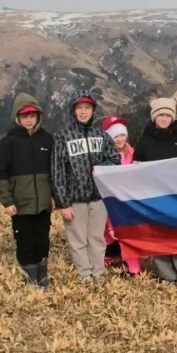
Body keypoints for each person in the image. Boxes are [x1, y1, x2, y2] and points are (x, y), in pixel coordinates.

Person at [52, 90, 120, 281]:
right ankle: (84, 275)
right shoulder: (63, 137)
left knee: (97, 238)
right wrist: (63, 202)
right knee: (78, 239)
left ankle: (98, 273)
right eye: (79, 108)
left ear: (93, 110)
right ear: (73, 110)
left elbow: (115, 158)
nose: (83, 112)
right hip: (74, 199)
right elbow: (57, 171)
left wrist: (100, 168)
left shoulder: (101, 135)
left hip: (98, 197)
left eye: (87, 108)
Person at [133, 98, 177, 285]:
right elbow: (137, 162)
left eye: (167, 115)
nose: (164, 118)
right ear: (154, 117)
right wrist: (136, 166)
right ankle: (167, 276)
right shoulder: (145, 140)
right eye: (160, 114)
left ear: (172, 117)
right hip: (155, 196)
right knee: (160, 235)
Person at [0, 93, 54, 287]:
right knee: (25, 242)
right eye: (24, 116)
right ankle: (30, 279)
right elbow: (2, 173)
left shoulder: (47, 139)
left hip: (43, 204)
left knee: (42, 241)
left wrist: (54, 196)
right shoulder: (8, 142)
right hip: (21, 205)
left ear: (38, 116)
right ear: (17, 117)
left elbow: (54, 171)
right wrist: (7, 201)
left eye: (32, 115)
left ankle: (42, 277)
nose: (29, 119)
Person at [101, 115, 142, 276]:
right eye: (115, 136)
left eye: (121, 135)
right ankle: (109, 256)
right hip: (112, 198)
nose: (119, 139)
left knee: (129, 232)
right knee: (109, 232)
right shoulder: (105, 156)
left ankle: (134, 266)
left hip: (129, 198)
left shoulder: (133, 152)